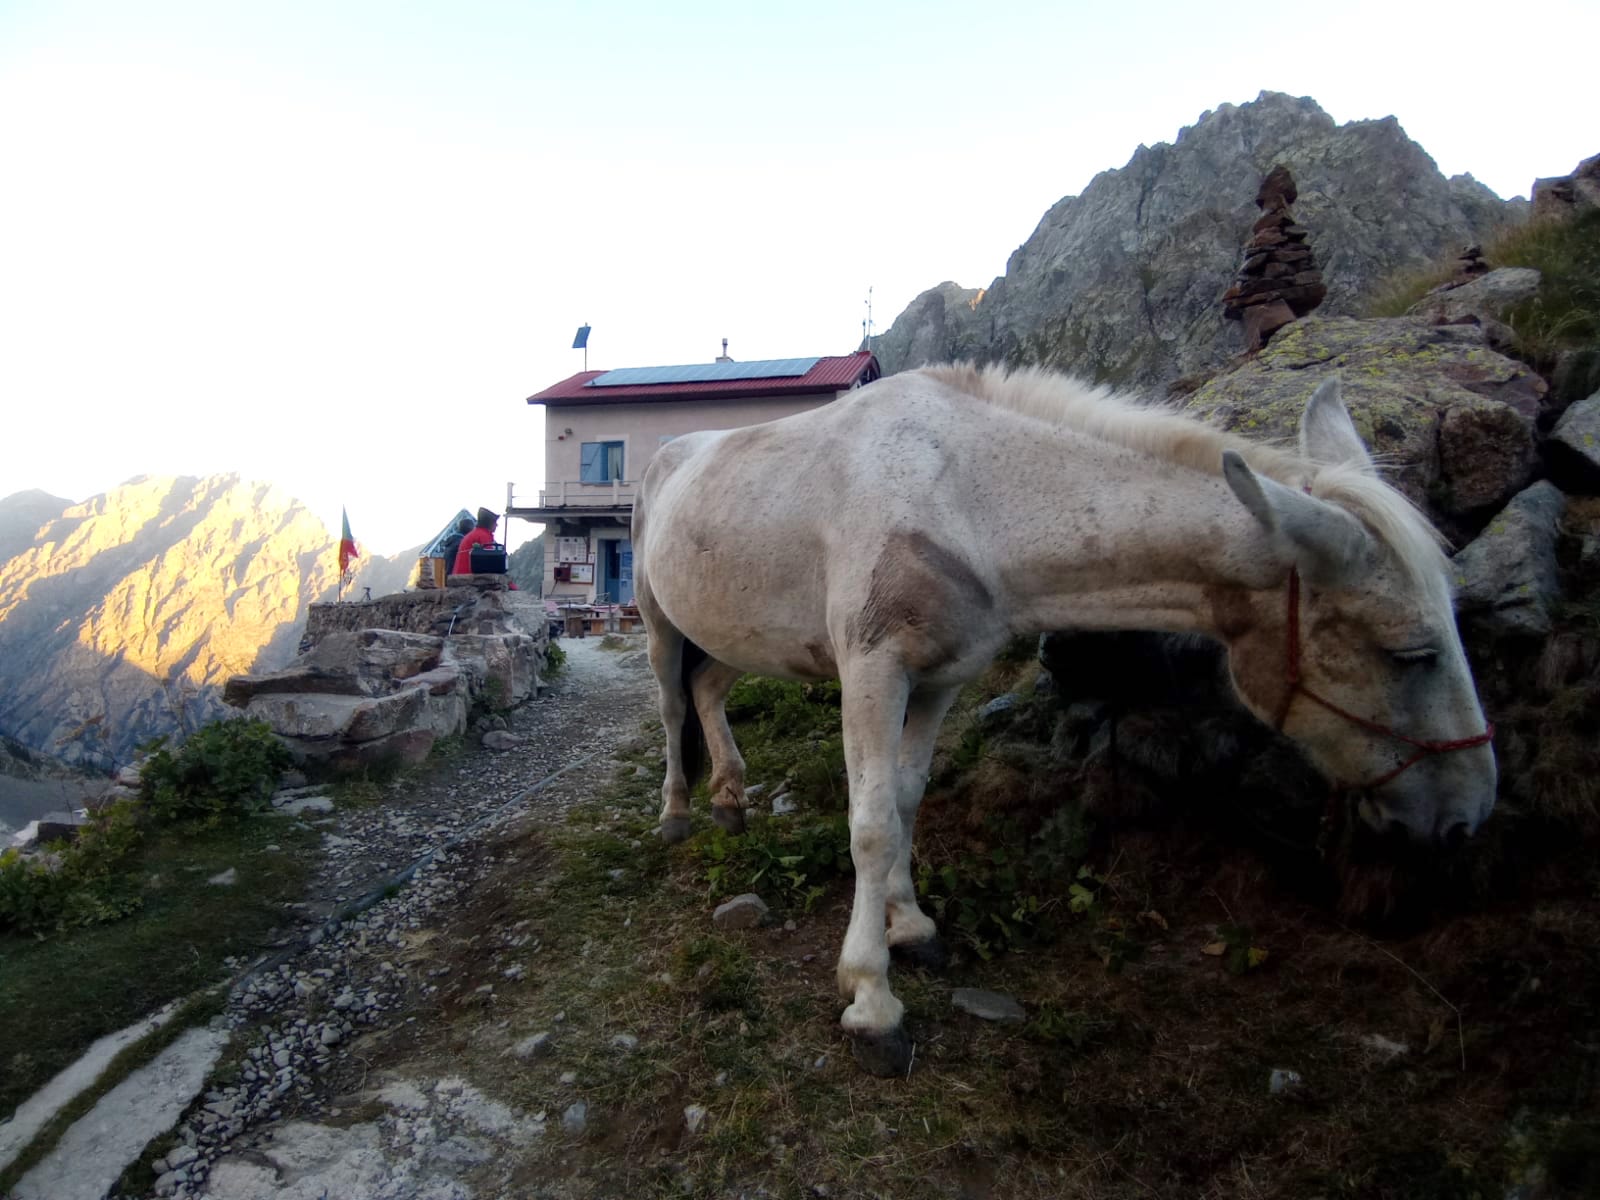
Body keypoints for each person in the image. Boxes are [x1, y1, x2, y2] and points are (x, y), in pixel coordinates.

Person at [452, 507, 499, 576]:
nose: (497, 525)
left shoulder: (475, 534)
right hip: (467, 576)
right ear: (489, 523)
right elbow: (489, 561)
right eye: (495, 522)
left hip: (460, 575)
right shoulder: (483, 536)